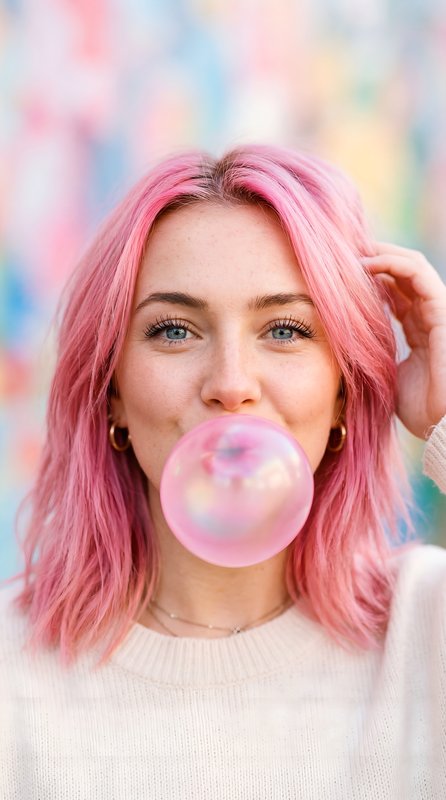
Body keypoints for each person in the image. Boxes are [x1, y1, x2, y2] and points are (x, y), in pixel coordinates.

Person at [1, 144, 445, 800]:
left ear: (346, 390)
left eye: (287, 329)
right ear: (111, 393)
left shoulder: (424, 629)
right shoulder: (13, 671)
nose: (231, 384)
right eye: (175, 331)